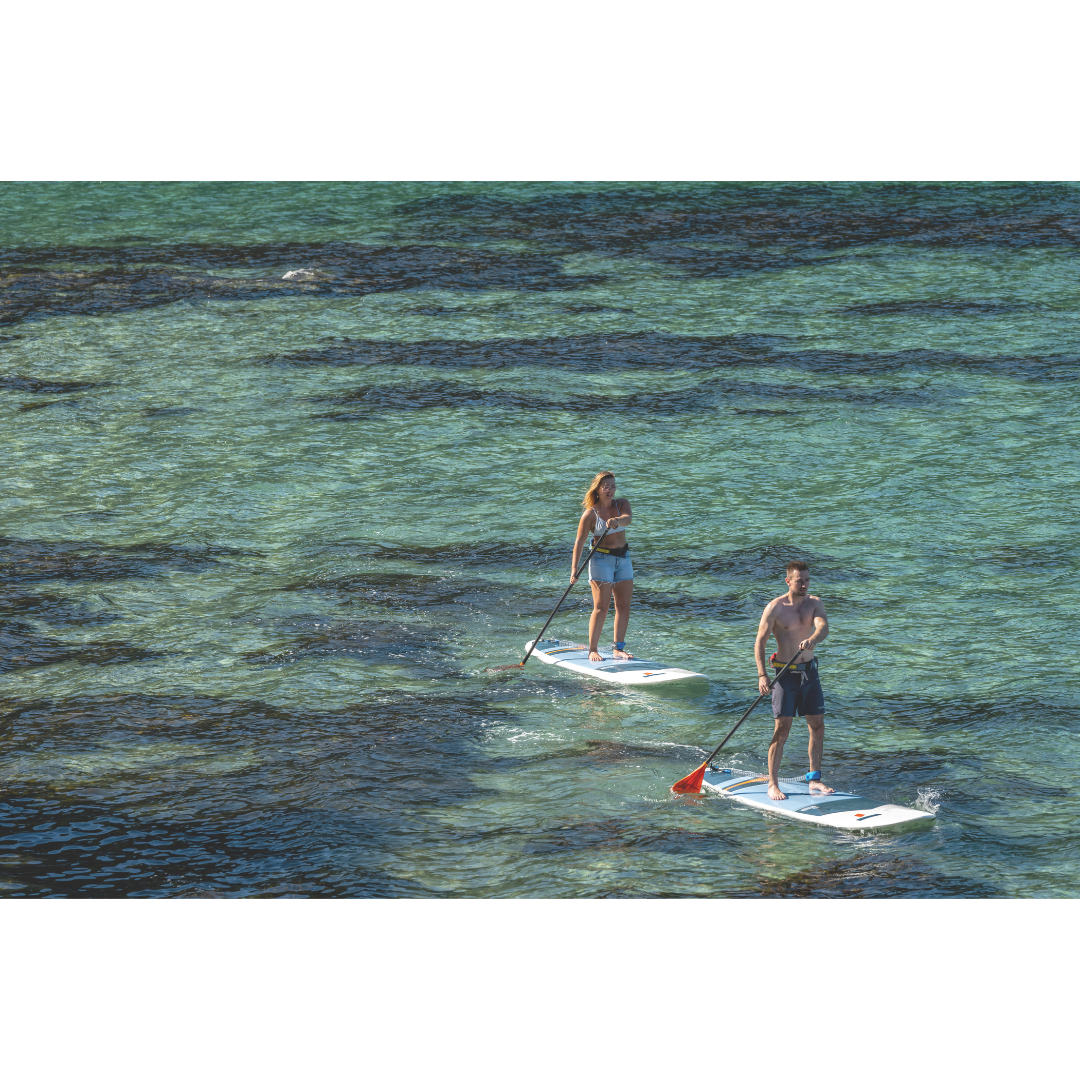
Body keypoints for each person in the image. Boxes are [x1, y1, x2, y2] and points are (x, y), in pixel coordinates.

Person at [754, 560, 834, 801]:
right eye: (800, 581)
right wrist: (762, 675)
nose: (805, 584)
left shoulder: (815, 603)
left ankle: (814, 779)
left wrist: (814, 639)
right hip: (784, 675)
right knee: (782, 729)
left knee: (817, 726)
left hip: (810, 673)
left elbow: (823, 627)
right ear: (788, 581)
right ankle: (773, 784)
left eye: (807, 580)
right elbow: (760, 642)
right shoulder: (775, 608)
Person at [571, 471, 633, 662]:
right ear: (598, 489)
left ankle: (617, 649)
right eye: (606, 487)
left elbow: (627, 519)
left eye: (613, 486)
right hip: (600, 560)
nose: (611, 490)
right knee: (601, 607)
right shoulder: (590, 514)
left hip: (623, 559)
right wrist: (574, 570)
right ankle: (593, 649)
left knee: (623, 606)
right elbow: (579, 543)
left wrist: (617, 521)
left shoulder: (621, 504)